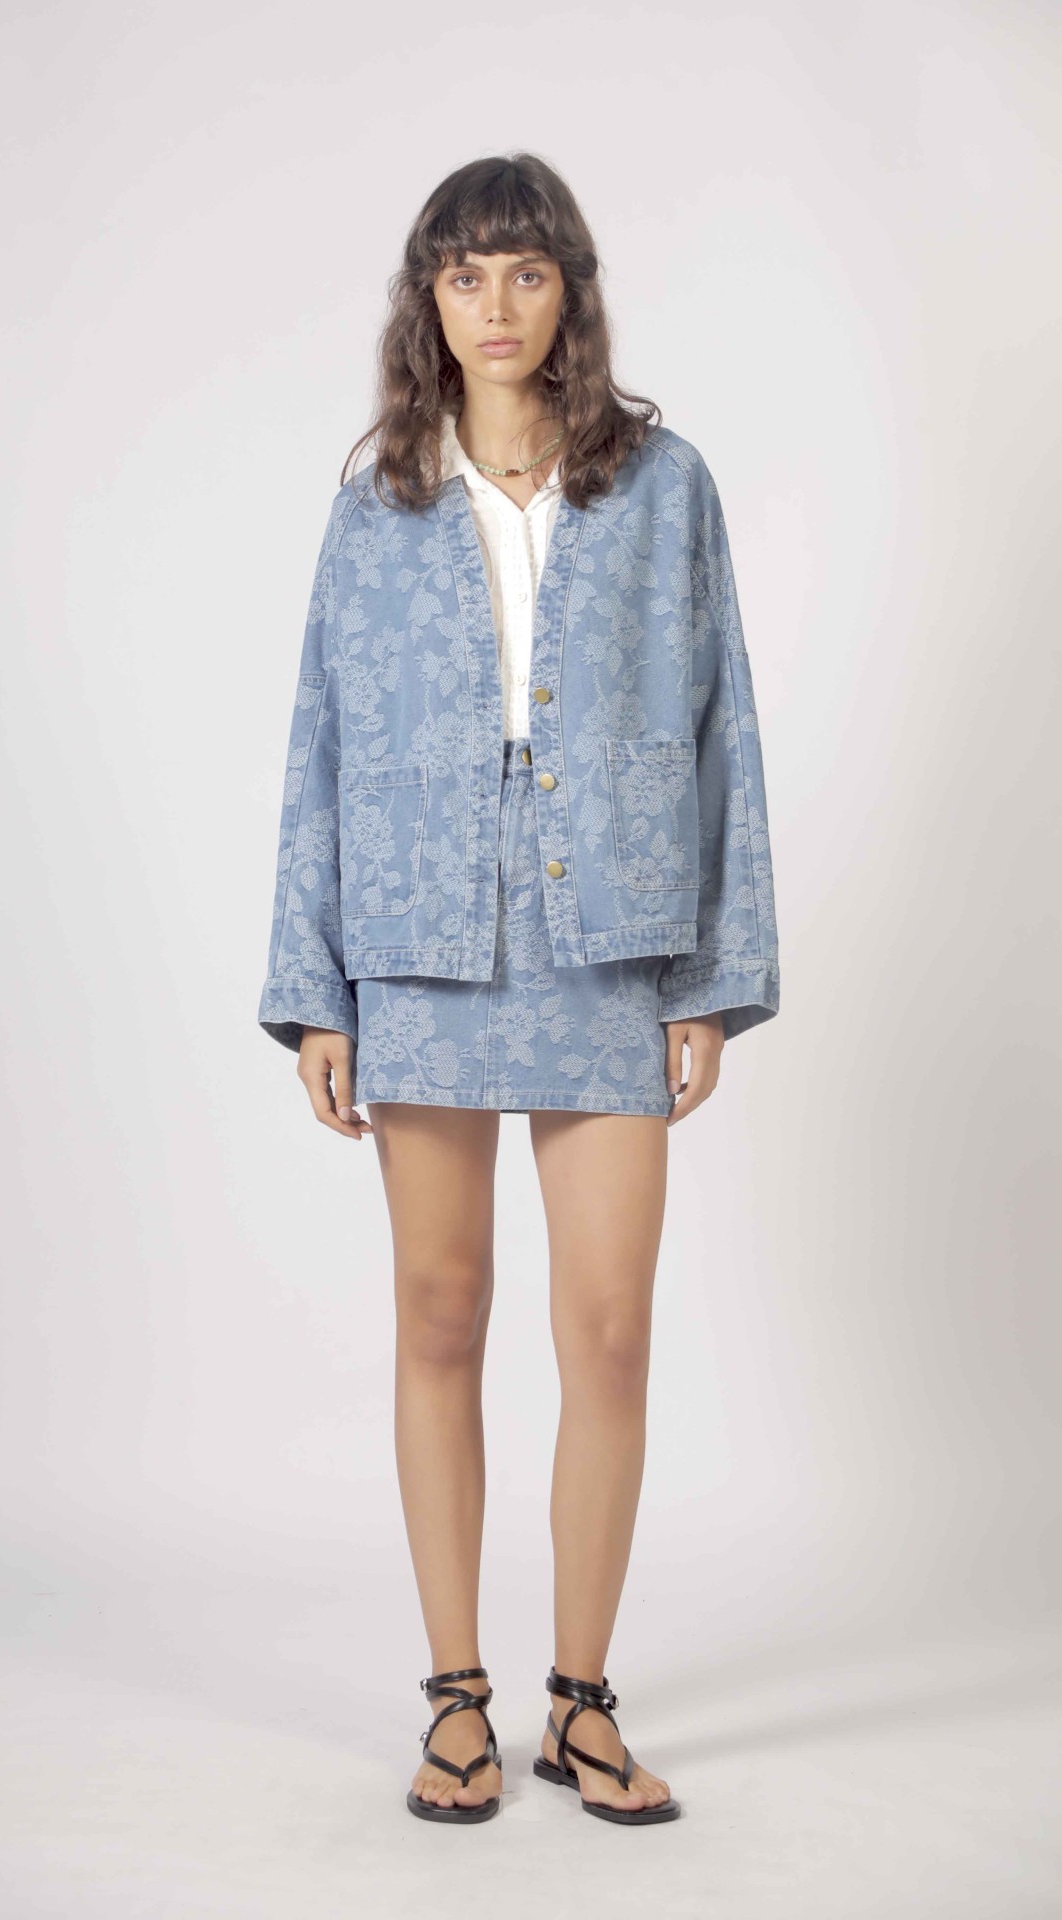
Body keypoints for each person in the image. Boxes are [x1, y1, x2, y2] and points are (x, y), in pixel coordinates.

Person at [256, 153, 781, 1825]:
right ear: (428, 296)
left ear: (572, 292)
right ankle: (455, 1701)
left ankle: (581, 1702)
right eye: (465, 274)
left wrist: (709, 973)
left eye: (526, 272)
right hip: (417, 938)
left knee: (608, 1331)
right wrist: (316, 990)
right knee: (439, 1312)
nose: (495, 306)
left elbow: (720, 725)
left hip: (610, 939)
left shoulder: (664, 485)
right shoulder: (377, 502)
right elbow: (319, 744)